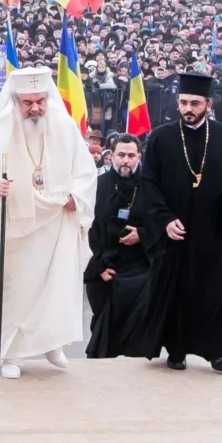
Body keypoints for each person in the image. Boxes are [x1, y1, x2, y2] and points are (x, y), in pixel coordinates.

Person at [0, 67, 97, 380]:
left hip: (57, 220)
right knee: (16, 291)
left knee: (56, 287)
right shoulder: (0, 130)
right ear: (15, 100)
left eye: (39, 100)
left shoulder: (65, 126)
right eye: (27, 102)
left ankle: (51, 343)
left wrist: (77, 196)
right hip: (16, 223)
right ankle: (11, 355)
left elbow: (86, 173)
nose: (35, 108)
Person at [137, 73, 222, 374]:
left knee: (217, 291)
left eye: (195, 103)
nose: (188, 108)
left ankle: (217, 352)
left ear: (208, 104)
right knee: (177, 291)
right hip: (176, 230)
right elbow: (149, 184)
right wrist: (164, 220)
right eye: (183, 103)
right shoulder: (162, 137)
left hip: (216, 229)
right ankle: (176, 350)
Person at [85, 134, 152, 359]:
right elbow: (85, 228)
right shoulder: (97, 186)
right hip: (104, 267)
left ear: (139, 157)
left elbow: (163, 223)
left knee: (138, 330)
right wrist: (97, 266)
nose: (126, 160)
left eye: (131, 155)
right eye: (121, 155)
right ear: (111, 156)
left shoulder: (151, 186)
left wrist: (142, 234)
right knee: (104, 329)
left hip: (139, 269)